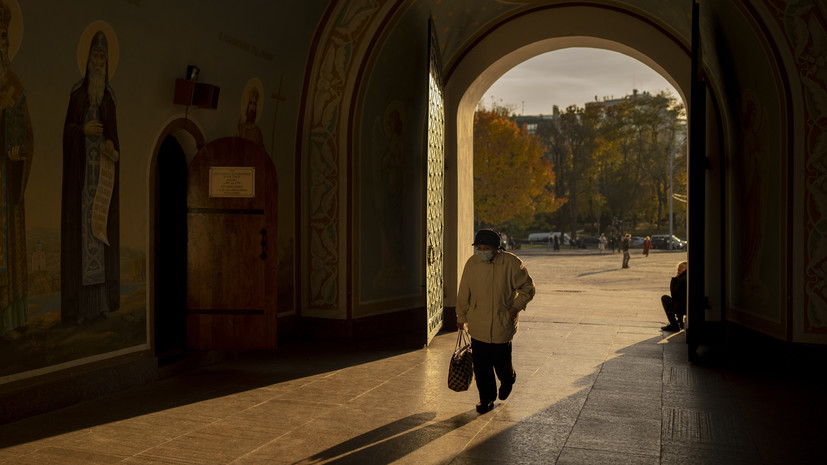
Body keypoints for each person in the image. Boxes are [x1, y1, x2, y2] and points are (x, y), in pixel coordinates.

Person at [61, 30, 120, 325]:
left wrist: (110, 145)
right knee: (84, 242)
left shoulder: (108, 99)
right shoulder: (78, 94)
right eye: (95, 56)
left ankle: (101, 304)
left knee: (101, 239)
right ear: (87, 59)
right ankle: (82, 309)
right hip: (82, 184)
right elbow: (67, 133)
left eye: (103, 57)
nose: (99, 62)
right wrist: (81, 132)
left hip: (103, 185)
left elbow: (115, 139)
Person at [456, 229, 535, 414]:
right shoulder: (472, 263)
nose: (482, 251)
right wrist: (461, 317)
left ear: (496, 249)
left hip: (502, 324)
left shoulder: (512, 263)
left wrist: (515, 308)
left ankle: (508, 378)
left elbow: (528, 288)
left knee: (502, 363)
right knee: (482, 367)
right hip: (478, 324)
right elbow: (463, 292)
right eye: (479, 248)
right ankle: (486, 398)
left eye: (486, 248)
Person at [0, 1, 33, 338]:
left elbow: (28, 133)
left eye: (3, 36)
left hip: (7, 185)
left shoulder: (15, 85)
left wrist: (18, 151)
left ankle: (9, 320)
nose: (0, 42)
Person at [661, 261, 688, 331]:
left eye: (679, 270)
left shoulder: (682, 279)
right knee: (678, 300)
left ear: (685, 269)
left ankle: (674, 325)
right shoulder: (686, 277)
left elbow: (674, 293)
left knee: (664, 298)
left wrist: (675, 279)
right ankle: (680, 322)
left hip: (683, 307)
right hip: (686, 305)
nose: (678, 271)